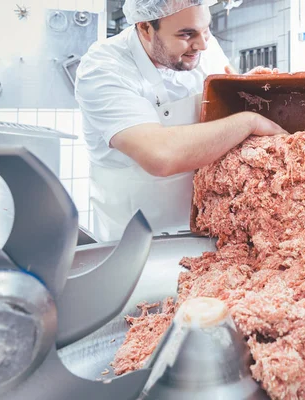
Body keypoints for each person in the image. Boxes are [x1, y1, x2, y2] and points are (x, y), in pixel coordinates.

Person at [75, 0, 287, 242]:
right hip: (136, 237)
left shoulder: (204, 47)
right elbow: (160, 155)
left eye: (206, 29)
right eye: (186, 34)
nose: (202, 44)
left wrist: (243, 89)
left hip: (208, 228)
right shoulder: (103, 68)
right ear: (145, 27)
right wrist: (249, 121)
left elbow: (220, 99)